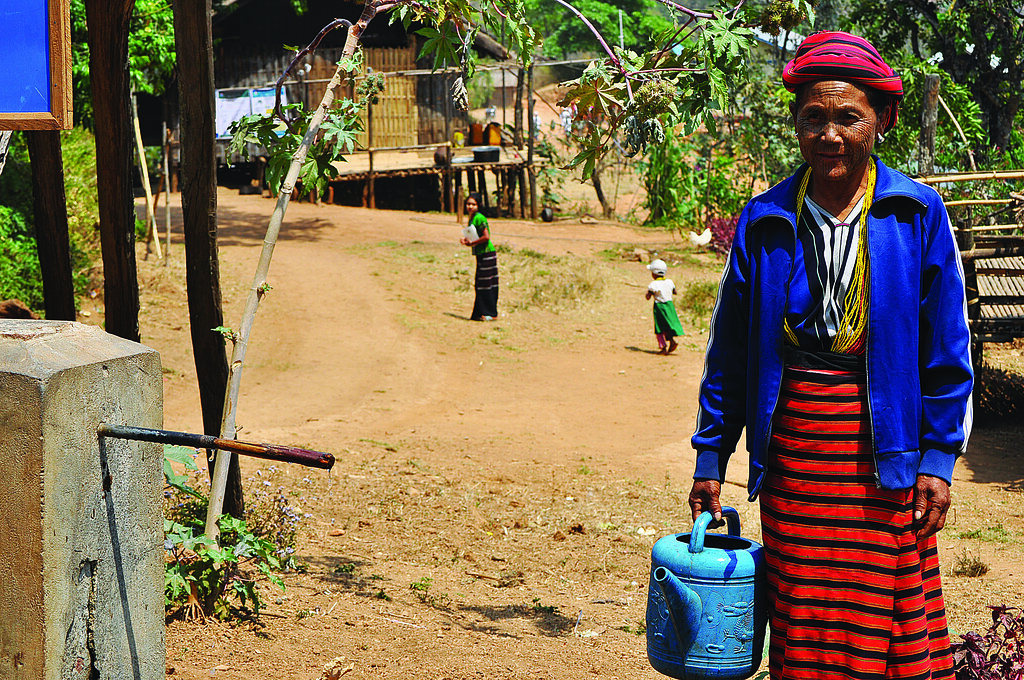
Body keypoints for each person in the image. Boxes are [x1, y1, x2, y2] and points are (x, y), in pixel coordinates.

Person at [687, 31, 973, 680]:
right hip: (795, 454)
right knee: (804, 617)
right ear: (796, 124)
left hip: (884, 454)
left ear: (884, 119)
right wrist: (712, 455)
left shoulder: (915, 212)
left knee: (879, 619)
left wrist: (936, 460)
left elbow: (946, 353)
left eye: (849, 116)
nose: (830, 134)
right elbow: (730, 355)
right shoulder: (765, 219)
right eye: (813, 117)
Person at [460, 192, 499, 321]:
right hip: (481, 254)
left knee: (486, 284)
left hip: (487, 253)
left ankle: (489, 313)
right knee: (481, 284)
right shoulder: (472, 218)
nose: (470, 207)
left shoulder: (479, 218)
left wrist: (473, 243)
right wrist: (467, 241)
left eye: (473, 204)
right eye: (468, 204)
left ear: (478, 205)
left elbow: (486, 237)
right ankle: (481, 313)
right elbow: (475, 236)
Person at [644, 259, 684, 354]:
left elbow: (648, 297)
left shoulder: (653, 284)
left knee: (659, 327)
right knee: (668, 325)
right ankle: (672, 341)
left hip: (660, 307)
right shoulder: (669, 282)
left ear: (654, 273)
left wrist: (649, 294)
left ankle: (663, 347)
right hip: (670, 306)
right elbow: (675, 292)